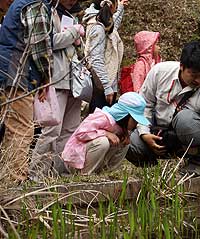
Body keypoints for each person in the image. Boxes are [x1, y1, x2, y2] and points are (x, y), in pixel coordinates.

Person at [126, 41, 200, 189]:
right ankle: (152, 168)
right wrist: (144, 134)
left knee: (185, 119)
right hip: (159, 133)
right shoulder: (159, 72)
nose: (198, 80)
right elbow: (145, 105)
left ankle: (196, 161)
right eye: (194, 75)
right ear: (182, 66)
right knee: (131, 142)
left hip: (188, 137)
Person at [29, 0, 85, 181]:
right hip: (56, 78)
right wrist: (74, 32)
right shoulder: (48, 11)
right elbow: (50, 42)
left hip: (74, 81)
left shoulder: (73, 15)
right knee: (52, 129)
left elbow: (77, 47)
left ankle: (60, 173)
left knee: (70, 130)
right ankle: (36, 175)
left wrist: (78, 41)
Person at [0, 0, 53, 182]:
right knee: (21, 129)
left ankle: (8, 176)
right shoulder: (35, 4)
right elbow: (40, 47)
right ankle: (15, 180)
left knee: (10, 127)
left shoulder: (21, 3)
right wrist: (47, 75)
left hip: (9, 70)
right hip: (17, 72)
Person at [62, 92, 150, 175]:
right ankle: (85, 174)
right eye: (134, 120)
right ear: (125, 115)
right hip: (76, 161)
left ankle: (106, 173)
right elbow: (81, 134)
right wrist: (105, 133)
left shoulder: (120, 126)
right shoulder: (102, 117)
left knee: (124, 143)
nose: (136, 124)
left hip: (92, 159)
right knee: (102, 142)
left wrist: (125, 134)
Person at [83, 0, 128, 113]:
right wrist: (107, 87)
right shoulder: (97, 27)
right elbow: (96, 58)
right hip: (101, 85)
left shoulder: (103, 23)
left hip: (106, 83)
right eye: (116, 5)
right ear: (112, 5)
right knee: (99, 122)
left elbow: (113, 27)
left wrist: (121, 7)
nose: (116, 9)